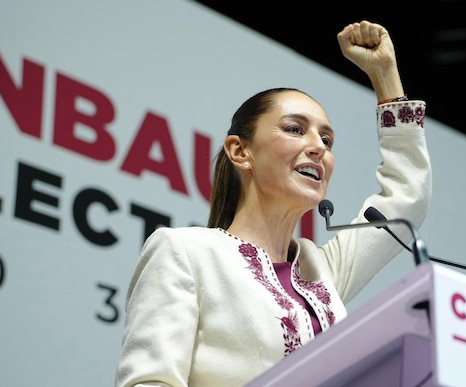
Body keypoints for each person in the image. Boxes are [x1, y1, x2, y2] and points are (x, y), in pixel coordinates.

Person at [114, 20, 431, 386]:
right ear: (240, 151)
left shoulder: (322, 271)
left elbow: (408, 199)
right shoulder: (185, 252)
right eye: (295, 129)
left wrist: (385, 75)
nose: (318, 148)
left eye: (327, 140)